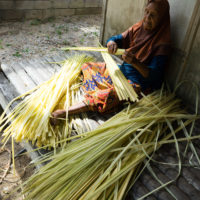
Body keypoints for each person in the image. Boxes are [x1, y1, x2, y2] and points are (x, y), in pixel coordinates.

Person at [51, 0, 171, 125]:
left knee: (106, 96)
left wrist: (135, 62)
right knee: (87, 66)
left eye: (153, 15)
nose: (147, 18)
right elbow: (118, 38)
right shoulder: (139, 27)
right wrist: (111, 43)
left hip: (136, 85)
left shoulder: (162, 43)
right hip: (121, 71)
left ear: (162, 19)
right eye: (146, 12)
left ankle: (65, 112)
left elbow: (154, 76)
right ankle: (99, 95)